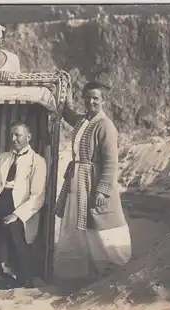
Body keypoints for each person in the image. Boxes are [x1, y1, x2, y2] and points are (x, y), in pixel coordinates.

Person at [53, 81, 132, 286]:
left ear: (102, 100)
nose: (91, 101)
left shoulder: (105, 125)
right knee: (79, 225)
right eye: (87, 98)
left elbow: (111, 162)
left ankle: (112, 269)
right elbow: (68, 114)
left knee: (99, 223)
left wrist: (102, 190)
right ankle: (83, 272)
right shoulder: (83, 121)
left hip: (94, 181)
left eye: (95, 98)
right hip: (78, 180)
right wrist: (65, 94)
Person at [0, 120, 47, 288]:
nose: (14, 139)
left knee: (14, 227)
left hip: (20, 208)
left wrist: (17, 215)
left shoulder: (37, 161)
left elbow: (37, 196)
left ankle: (24, 275)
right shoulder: (4, 157)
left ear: (28, 137)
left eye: (18, 135)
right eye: (12, 135)